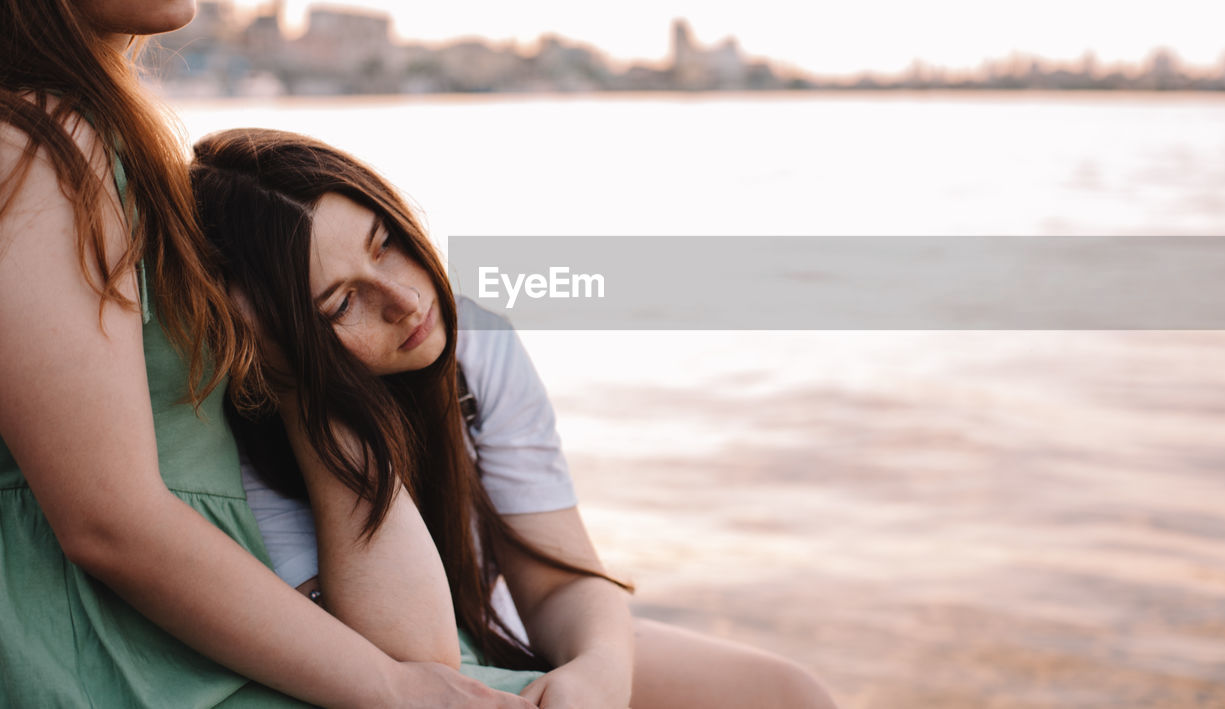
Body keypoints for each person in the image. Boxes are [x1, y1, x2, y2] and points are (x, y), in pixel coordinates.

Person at [0, 0, 536, 705]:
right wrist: (392, 689)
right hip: (108, 656)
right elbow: (108, 519)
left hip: (184, 630)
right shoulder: (42, 144)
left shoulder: (101, 141)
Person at [190, 128, 841, 709]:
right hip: (394, 675)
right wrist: (315, 389)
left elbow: (557, 573)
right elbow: (417, 655)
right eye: (341, 303)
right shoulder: (248, 429)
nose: (404, 298)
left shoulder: (476, 343)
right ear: (271, 340)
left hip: (505, 637)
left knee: (791, 695)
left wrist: (600, 672)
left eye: (384, 244)